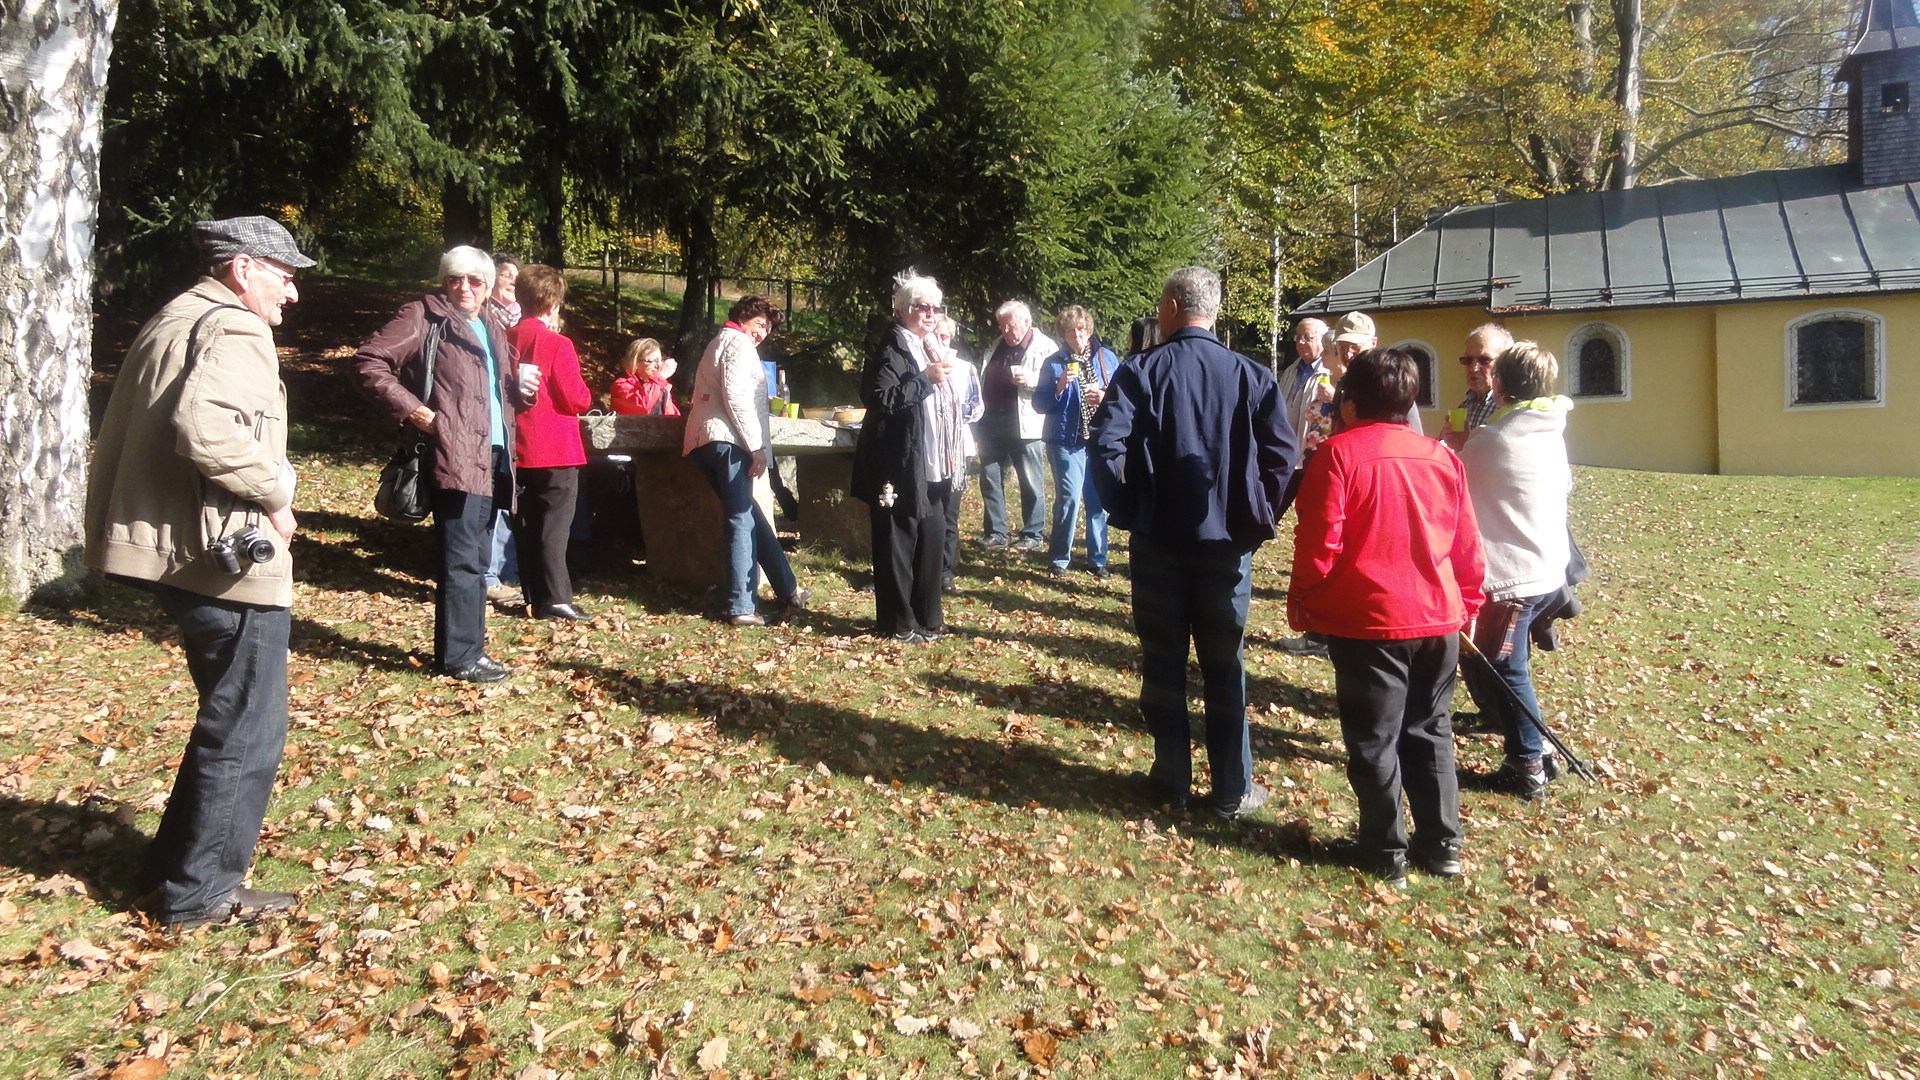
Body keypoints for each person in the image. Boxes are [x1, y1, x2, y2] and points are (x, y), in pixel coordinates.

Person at [84, 215, 313, 928]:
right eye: (284, 275)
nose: (292, 294)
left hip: (180, 547)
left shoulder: (176, 316)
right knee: (248, 724)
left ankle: (174, 867)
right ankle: (201, 892)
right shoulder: (235, 327)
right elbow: (204, 430)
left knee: (230, 715)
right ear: (243, 268)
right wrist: (276, 489)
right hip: (220, 555)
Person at [1092, 266, 1295, 819]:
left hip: (1160, 539)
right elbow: (1285, 459)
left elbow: (1105, 446)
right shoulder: (1250, 374)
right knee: (1224, 665)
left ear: (1175, 308)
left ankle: (1171, 779)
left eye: (1161, 305)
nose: (1158, 314)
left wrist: (1129, 508)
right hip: (1227, 545)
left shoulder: (1142, 371)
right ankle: (1231, 788)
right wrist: (1258, 517)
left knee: (1164, 662)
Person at [1288, 348, 1485, 888]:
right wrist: (1466, 606)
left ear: (1350, 403)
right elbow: (1467, 546)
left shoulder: (1337, 455)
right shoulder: (1442, 457)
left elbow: (1319, 544)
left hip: (1373, 621)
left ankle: (1384, 847)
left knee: (1375, 739)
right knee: (1430, 730)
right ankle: (1442, 844)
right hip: (1436, 617)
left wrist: (1303, 597)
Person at [352, 246, 519, 683]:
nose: (463, 288)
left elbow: (500, 389)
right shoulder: (424, 316)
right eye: (454, 279)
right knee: (461, 558)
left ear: (487, 288)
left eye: (474, 281)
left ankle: (472, 648)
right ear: (443, 282)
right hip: (454, 452)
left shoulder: (489, 324)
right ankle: (458, 657)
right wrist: (416, 411)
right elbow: (370, 361)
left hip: (495, 456)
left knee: (479, 556)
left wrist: (524, 386)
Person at [1458, 341, 1573, 800]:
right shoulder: (1550, 427)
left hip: (1516, 577)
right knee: (1505, 663)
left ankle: (1528, 761)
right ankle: (1534, 747)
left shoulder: (1497, 437)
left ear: (1499, 383)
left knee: (1507, 666)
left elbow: (1456, 489)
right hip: (1547, 566)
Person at [682, 296, 808, 627]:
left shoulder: (722, 341)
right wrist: (756, 448)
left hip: (711, 439)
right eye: (760, 325)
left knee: (751, 515)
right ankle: (740, 605)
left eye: (768, 329)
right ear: (744, 318)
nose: (763, 333)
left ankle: (788, 588)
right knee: (740, 518)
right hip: (727, 441)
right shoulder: (737, 343)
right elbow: (735, 398)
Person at [853, 271, 964, 642]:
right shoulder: (891, 348)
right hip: (896, 460)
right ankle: (898, 624)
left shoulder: (927, 346)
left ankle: (926, 618)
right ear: (902, 310)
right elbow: (880, 399)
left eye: (935, 308)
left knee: (932, 535)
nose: (930, 315)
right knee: (897, 541)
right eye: (922, 307)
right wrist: (925, 381)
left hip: (930, 461)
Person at [506, 264, 594, 621]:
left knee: (526, 523)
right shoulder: (557, 343)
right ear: (553, 304)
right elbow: (576, 399)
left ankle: (533, 594)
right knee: (555, 525)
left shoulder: (504, 337)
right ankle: (557, 597)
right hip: (555, 445)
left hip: (517, 444)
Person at [1032, 305, 1119, 579]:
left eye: (1081, 329)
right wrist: (1058, 387)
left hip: (1099, 439)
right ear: (1063, 335)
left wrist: (1104, 397)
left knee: (1097, 501)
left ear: (1089, 330)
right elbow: (1039, 404)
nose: (1077, 335)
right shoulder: (1054, 362)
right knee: (1069, 497)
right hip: (1066, 441)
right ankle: (1059, 558)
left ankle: (1098, 559)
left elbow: (1122, 398)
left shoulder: (1106, 359)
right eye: (1070, 331)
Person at [977, 300, 1056, 552]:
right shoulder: (996, 346)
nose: (1006, 331)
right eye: (1002, 326)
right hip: (991, 420)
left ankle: (1032, 534)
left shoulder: (1045, 347)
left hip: (1025, 421)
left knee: (1030, 480)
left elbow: (1057, 383)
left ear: (1026, 322)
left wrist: (1031, 380)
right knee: (990, 478)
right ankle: (996, 532)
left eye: (1010, 325)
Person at [932, 313, 984, 592]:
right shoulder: (923, 366)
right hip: (930, 448)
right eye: (938, 336)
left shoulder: (966, 368)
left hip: (959, 447)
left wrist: (954, 413)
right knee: (929, 510)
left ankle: (945, 570)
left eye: (946, 336)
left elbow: (977, 407)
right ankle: (923, 565)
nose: (943, 341)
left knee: (950, 512)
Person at [1441, 323, 1512, 452]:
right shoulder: (1465, 406)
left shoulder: (1510, 407)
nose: (1473, 368)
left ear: (1505, 363)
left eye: (1484, 360)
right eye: (1468, 360)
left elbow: (1504, 458)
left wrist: (1464, 445)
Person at [612, 337, 680, 415]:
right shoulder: (621, 386)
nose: (658, 365)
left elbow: (672, 415)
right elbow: (644, 406)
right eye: (653, 361)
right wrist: (660, 376)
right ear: (635, 362)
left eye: (660, 360)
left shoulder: (659, 386)